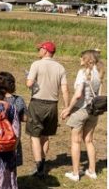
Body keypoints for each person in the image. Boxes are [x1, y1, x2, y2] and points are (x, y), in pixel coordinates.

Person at [26, 41, 69, 177]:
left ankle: (38, 166)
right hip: (52, 105)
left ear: (45, 51)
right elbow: (65, 89)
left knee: (34, 136)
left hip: (37, 103)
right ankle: (43, 162)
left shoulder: (36, 64)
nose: (38, 51)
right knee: (45, 136)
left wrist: (29, 79)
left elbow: (29, 84)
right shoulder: (61, 68)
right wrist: (67, 107)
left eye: (40, 49)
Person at [61, 49, 102, 181]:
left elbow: (78, 94)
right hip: (94, 111)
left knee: (76, 141)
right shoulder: (99, 72)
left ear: (86, 59)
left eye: (81, 58)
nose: (80, 60)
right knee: (89, 141)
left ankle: (75, 173)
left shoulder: (82, 73)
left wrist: (68, 109)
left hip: (81, 110)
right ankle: (92, 170)